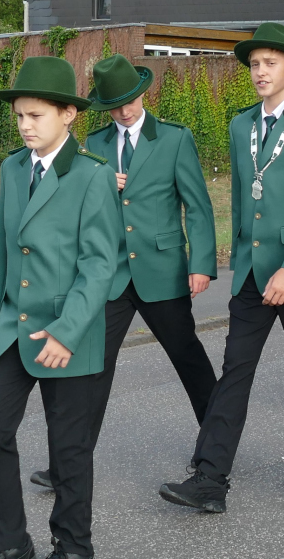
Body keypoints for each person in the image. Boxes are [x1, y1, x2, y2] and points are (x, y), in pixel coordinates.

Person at [161, 23, 284, 514]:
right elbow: (243, 199)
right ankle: (210, 479)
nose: (260, 72)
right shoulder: (240, 124)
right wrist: (236, 258)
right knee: (235, 371)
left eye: (270, 63)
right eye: (254, 64)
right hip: (250, 270)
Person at [0, 57, 121, 559]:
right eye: (20, 116)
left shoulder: (93, 175)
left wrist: (67, 331)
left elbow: (99, 265)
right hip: (14, 324)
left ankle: (75, 551)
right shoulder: (13, 169)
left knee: (68, 446)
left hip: (68, 328)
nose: (25, 125)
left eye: (36, 115)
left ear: (68, 114)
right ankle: (9, 545)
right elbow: (4, 252)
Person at [32, 55, 218, 493]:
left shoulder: (174, 138)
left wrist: (201, 263)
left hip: (163, 270)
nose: (124, 111)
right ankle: (66, 466)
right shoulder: (94, 143)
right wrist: (98, 184)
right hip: (110, 274)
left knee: (189, 360)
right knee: (91, 369)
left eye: (129, 101)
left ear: (142, 94)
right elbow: (72, 202)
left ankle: (217, 450)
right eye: (114, 106)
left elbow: (198, 205)